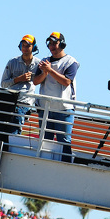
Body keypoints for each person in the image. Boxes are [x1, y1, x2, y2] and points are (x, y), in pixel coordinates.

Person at [33, 32, 79, 162]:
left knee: (64, 141)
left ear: (62, 44)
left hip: (63, 108)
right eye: (49, 43)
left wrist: (50, 71)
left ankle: (66, 166)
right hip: (45, 106)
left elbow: (66, 81)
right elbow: (36, 81)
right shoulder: (44, 61)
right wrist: (45, 72)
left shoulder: (71, 61)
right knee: (45, 139)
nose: (51, 46)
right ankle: (43, 163)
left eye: (54, 43)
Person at [1, 35, 41, 135]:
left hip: (25, 102)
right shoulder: (12, 62)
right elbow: (3, 84)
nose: (25, 48)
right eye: (23, 45)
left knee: (15, 125)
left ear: (33, 47)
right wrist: (19, 79)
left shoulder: (39, 64)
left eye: (28, 46)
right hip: (10, 99)